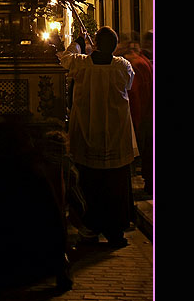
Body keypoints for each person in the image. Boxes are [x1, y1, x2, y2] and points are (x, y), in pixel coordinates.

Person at [58, 26, 138, 248]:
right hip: (115, 134)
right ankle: (115, 232)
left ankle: (90, 229)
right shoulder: (123, 66)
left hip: (88, 131)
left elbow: (64, 59)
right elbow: (129, 84)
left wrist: (78, 43)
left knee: (90, 183)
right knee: (115, 185)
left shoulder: (83, 64)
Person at [116, 33, 153, 197]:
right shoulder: (144, 61)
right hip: (148, 113)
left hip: (141, 115)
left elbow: (135, 94)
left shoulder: (135, 64)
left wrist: (134, 121)